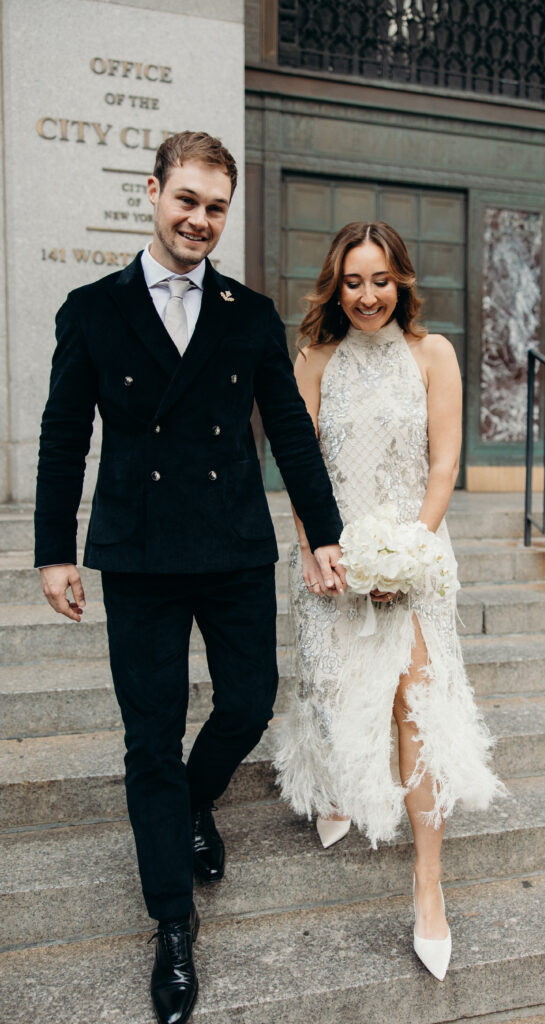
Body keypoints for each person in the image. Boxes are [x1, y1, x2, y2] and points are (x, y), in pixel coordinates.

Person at [34, 131, 345, 1024]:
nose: (200, 220)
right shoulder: (91, 309)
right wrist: (56, 550)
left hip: (235, 545)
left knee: (249, 701)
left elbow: (289, 428)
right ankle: (173, 925)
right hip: (137, 554)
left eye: (215, 207)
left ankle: (190, 805)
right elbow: (64, 437)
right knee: (150, 739)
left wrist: (322, 533)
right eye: (187, 201)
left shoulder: (249, 313)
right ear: (153, 192)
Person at [275, 221, 505, 981]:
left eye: (380, 280)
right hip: (332, 559)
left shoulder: (431, 355)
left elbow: (443, 466)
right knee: (336, 688)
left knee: (417, 702)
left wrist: (409, 552)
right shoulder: (313, 359)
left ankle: (427, 885)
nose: (367, 296)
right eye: (352, 282)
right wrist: (316, 546)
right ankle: (337, 788)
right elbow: (298, 460)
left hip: (412, 554)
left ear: (401, 281)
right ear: (334, 287)